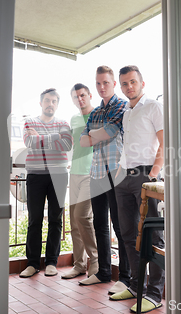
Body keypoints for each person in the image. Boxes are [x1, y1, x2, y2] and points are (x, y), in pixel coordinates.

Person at [110, 65, 165, 313]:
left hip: (146, 176)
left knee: (153, 236)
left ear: (142, 83)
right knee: (128, 233)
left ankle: (154, 294)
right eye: (124, 83)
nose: (128, 86)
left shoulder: (153, 106)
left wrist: (152, 176)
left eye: (132, 82)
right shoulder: (126, 113)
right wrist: (121, 172)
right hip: (125, 178)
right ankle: (135, 286)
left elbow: (166, 143)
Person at [78, 65, 131, 294]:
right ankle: (104, 272)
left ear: (114, 84)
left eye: (106, 83)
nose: (101, 87)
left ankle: (127, 277)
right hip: (97, 172)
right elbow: (82, 141)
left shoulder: (122, 105)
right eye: (98, 83)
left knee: (121, 225)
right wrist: (95, 134)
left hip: (115, 172)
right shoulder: (95, 112)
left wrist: (94, 135)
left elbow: (109, 132)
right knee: (100, 223)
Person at [19, 88, 73, 278]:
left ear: (57, 104)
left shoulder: (63, 123)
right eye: (48, 101)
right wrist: (56, 136)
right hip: (35, 175)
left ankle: (51, 262)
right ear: (41, 102)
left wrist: (41, 138)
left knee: (56, 220)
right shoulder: (30, 121)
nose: (51, 104)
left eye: (54, 101)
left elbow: (67, 145)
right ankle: (32, 264)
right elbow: (29, 142)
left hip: (58, 175)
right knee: (35, 220)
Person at [61, 83, 99, 279]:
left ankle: (95, 261)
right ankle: (79, 264)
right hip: (74, 173)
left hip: (90, 174)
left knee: (83, 217)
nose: (80, 99)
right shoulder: (74, 118)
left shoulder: (98, 115)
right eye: (76, 97)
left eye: (83, 95)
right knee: (74, 221)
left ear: (89, 95)